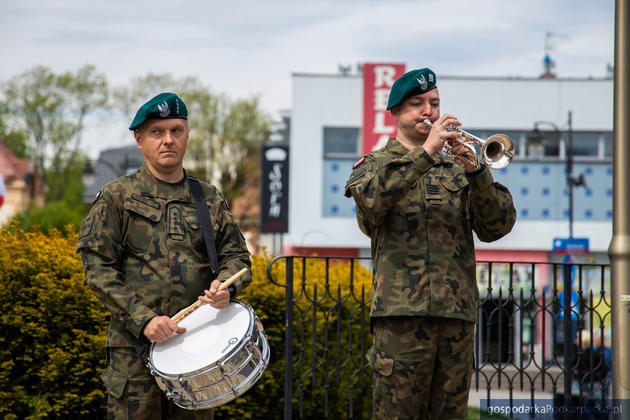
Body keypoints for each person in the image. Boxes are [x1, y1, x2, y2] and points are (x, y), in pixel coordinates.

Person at [344, 68, 516, 419]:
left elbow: (497, 226)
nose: (428, 111)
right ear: (395, 112)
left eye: (434, 103)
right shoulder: (375, 165)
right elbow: (372, 203)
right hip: (401, 320)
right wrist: (426, 152)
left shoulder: (457, 165)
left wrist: (477, 173)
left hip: (456, 319)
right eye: (417, 104)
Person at [77, 92, 252, 419]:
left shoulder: (208, 198)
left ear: (187, 135)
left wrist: (225, 287)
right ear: (139, 139)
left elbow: (237, 257)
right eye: (157, 132)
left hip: (199, 349)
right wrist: (143, 319)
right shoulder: (118, 197)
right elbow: (97, 268)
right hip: (135, 352)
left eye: (176, 131)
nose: (168, 140)